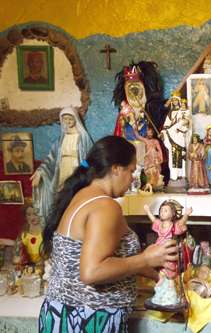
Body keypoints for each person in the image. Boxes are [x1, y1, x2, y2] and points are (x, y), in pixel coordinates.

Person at [39, 136, 178, 332]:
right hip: (90, 320)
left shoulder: (82, 195)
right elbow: (92, 271)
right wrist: (146, 258)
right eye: (131, 171)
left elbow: (101, 257)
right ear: (115, 168)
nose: (132, 178)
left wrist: (155, 274)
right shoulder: (105, 206)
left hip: (63, 315)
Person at [31, 107, 93, 222]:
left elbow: (89, 158)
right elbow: (51, 158)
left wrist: (82, 169)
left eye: (70, 119)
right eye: (65, 119)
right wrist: (40, 172)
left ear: (76, 120)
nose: (68, 122)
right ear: (61, 120)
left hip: (76, 169)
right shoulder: (61, 139)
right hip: (63, 169)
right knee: (62, 196)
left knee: (75, 195)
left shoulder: (83, 137)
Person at [144, 201, 192, 306]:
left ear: (173, 214)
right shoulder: (159, 224)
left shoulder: (173, 226)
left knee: (170, 265)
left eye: (166, 211)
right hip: (158, 249)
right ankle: (161, 281)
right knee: (159, 267)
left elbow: (181, 223)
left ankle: (171, 283)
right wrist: (148, 211)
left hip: (168, 248)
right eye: (161, 210)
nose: (162, 212)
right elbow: (153, 219)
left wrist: (186, 214)